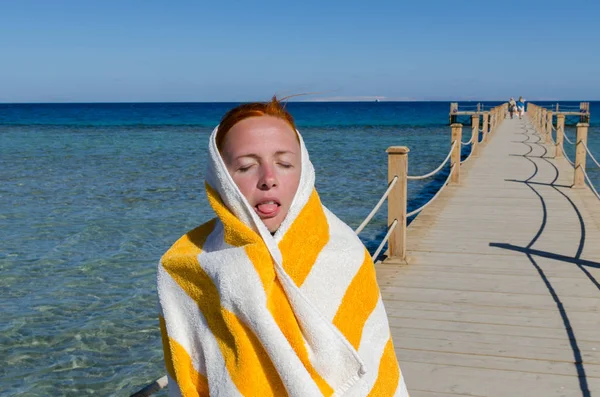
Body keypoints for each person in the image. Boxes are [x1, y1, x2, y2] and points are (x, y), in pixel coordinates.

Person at [157, 97, 410, 397]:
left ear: (304, 172)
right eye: (247, 166)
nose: (269, 179)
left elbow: (375, 369)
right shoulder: (185, 266)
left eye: (285, 163)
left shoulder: (345, 255)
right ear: (221, 178)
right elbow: (188, 377)